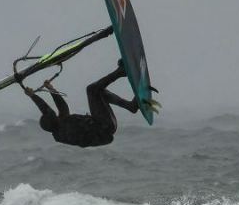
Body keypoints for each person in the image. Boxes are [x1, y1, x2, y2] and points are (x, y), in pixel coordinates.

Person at [21, 60, 159, 147]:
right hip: (104, 127)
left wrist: (50, 90)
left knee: (99, 93)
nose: (55, 115)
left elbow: (60, 108)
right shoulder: (64, 130)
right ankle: (120, 72)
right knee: (92, 90)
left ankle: (131, 106)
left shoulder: (59, 126)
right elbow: (48, 110)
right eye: (54, 116)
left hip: (106, 126)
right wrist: (33, 95)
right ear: (55, 121)